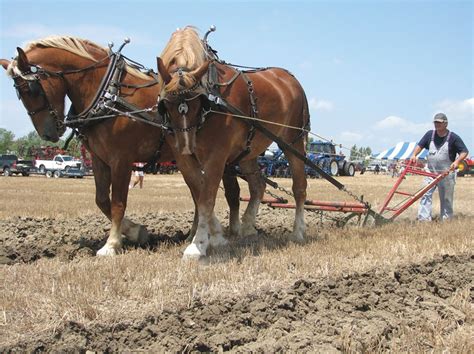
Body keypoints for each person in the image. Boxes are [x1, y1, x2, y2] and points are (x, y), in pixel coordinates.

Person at [410, 113, 468, 221]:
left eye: (439, 122)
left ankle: (446, 220)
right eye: (435, 122)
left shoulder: (453, 137)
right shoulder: (429, 135)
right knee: (425, 194)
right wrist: (414, 154)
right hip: (430, 172)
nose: (437, 124)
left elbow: (464, 151)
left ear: (445, 123)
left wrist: (457, 161)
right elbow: (420, 145)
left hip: (446, 173)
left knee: (446, 198)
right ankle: (424, 219)